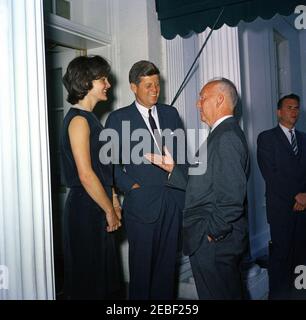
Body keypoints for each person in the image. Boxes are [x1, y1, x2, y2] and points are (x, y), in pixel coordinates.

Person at [146, 78, 250, 299]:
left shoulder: (226, 137)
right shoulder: (222, 134)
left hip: (215, 242)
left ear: (220, 99)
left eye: (202, 97)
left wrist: (212, 233)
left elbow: (231, 198)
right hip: (212, 240)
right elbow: (205, 181)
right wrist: (173, 167)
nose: (197, 103)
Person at [105, 60, 185, 300]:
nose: (155, 90)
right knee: (142, 274)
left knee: (167, 272)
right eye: (148, 85)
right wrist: (132, 187)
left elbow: (181, 157)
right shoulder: (118, 119)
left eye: (157, 84)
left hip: (172, 204)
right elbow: (108, 164)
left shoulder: (171, 114)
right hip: (140, 208)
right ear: (133, 87)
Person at [61, 55, 122, 299]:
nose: (108, 84)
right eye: (103, 79)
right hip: (85, 210)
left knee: (102, 281)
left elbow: (101, 168)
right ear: (86, 82)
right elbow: (86, 175)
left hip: (97, 203)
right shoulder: (78, 121)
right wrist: (108, 209)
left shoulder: (91, 119)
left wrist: (113, 199)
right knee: (88, 283)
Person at [257, 93, 306, 299]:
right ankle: (278, 296)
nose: (294, 112)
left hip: (304, 206)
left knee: (302, 255)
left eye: (296, 108)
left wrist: (305, 196)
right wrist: (297, 195)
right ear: (279, 112)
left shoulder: (304, 138)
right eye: (289, 108)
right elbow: (271, 174)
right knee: (281, 255)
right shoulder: (267, 138)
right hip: (281, 208)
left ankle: (300, 293)